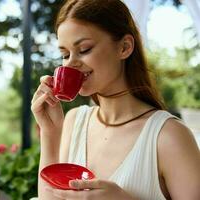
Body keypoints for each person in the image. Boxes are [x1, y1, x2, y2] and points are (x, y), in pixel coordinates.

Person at [31, 0, 200, 199]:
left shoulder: (169, 137)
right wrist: (50, 132)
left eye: (84, 49)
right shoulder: (74, 121)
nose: (70, 64)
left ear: (124, 47)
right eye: (65, 54)